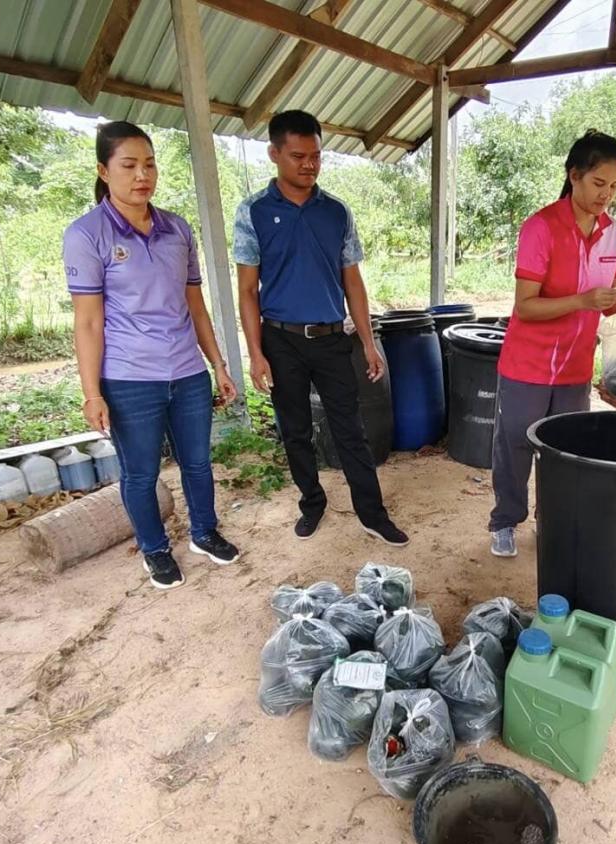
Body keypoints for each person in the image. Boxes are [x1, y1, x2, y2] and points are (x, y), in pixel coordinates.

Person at [64, 121, 242, 591]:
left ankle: (204, 532)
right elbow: (87, 322)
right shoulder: (87, 234)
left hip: (186, 372)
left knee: (197, 462)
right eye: (128, 165)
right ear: (104, 171)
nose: (142, 175)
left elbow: (195, 306)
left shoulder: (176, 229)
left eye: (149, 164)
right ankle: (156, 549)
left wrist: (218, 365)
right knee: (140, 472)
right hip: (129, 378)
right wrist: (91, 393)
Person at [233, 109, 408, 547]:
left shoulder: (337, 212)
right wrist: (255, 353)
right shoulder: (252, 212)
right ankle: (312, 504)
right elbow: (248, 291)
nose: (309, 165)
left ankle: (372, 513)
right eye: (298, 156)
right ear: (274, 154)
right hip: (280, 339)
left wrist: (368, 343)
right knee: (294, 430)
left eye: (316, 156)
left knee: (350, 428)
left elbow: (353, 280)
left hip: (332, 338)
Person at [488, 130, 616, 558]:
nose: (606, 195)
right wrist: (582, 300)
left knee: (565, 452)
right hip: (528, 364)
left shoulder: (614, 234)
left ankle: (553, 520)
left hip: (576, 366)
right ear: (573, 176)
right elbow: (525, 307)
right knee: (516, 444)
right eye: (599, 184)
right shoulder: (541, 228)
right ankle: (505, 521)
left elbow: (603, 305)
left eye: (614, 186)